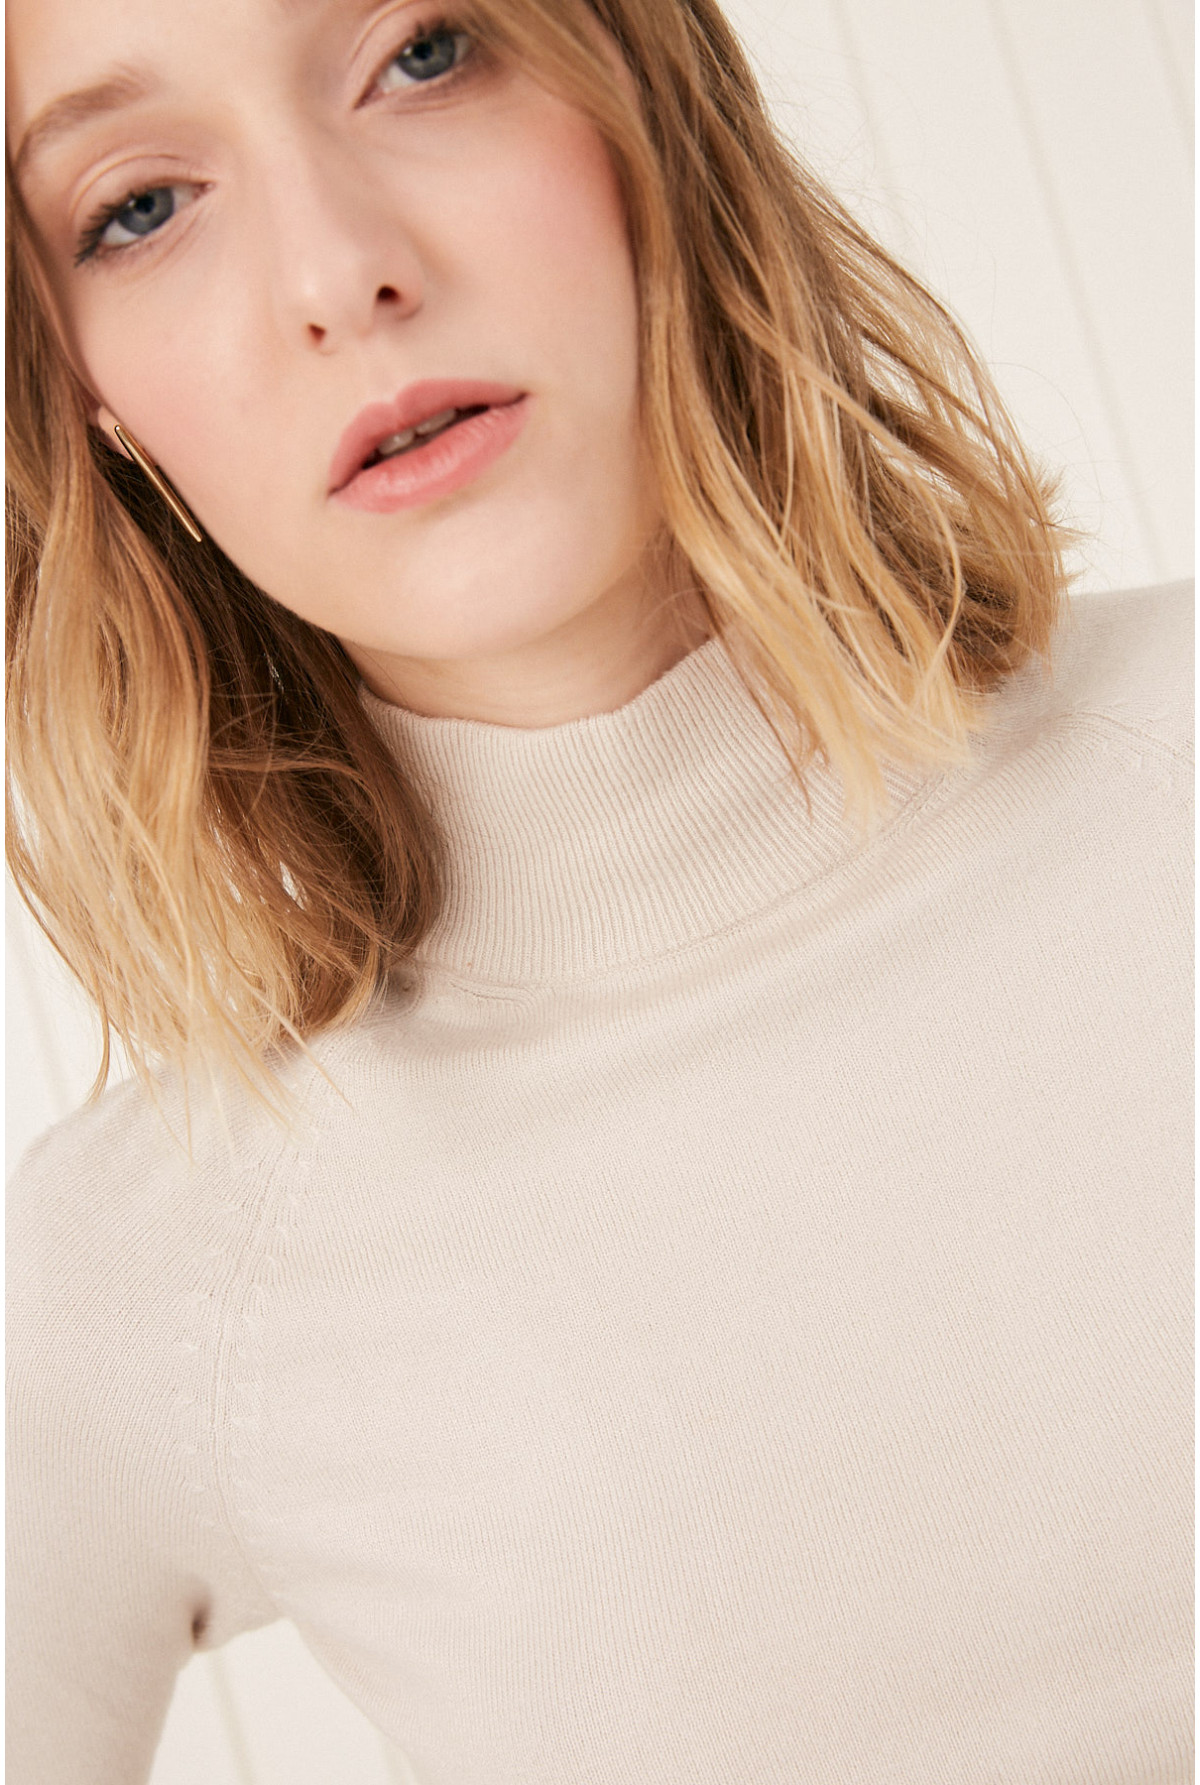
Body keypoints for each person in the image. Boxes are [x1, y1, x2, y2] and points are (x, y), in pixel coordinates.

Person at [6, 0, 1192, 1779]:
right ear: (83, 396)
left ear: (645, 83)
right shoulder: (164, 1267)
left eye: (420, 53)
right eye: (139, 206)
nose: (337, 275)